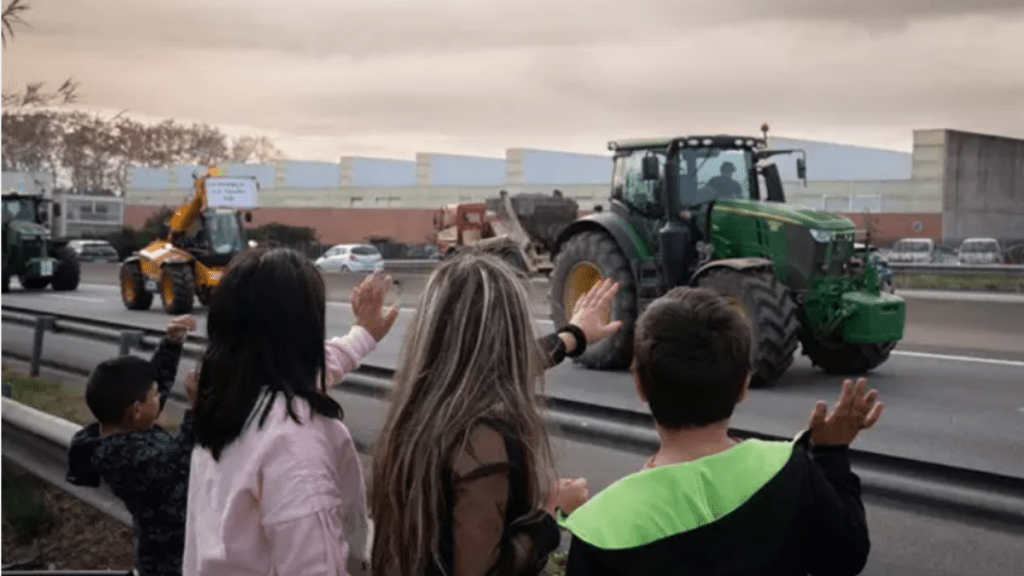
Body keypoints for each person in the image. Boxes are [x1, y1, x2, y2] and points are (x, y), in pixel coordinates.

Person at [559, 287, 882, 576]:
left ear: (640, 384)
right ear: (744, 385)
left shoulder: (601, 526)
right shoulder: (790, 469)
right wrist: (831, 454)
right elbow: (845, 560)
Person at [370, 251, 623, 576]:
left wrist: (573, 336)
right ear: (510, 334)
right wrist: (550, 514)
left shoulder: (419, 410)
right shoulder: (481, 440)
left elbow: (502, 365)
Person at [183, 247, 399, 576]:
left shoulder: (228, 402)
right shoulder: (294, 444)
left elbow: (311, 369)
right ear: (306, 328)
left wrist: (362, 336)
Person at [66, 314, 200, 576]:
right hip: (168, 567)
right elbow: (181, 458)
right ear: (137, 410)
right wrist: (197, 407)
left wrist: (171, 346)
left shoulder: (119, 431)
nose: (160, 395)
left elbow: (147, 387)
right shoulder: (130, 458)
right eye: (155, 395)